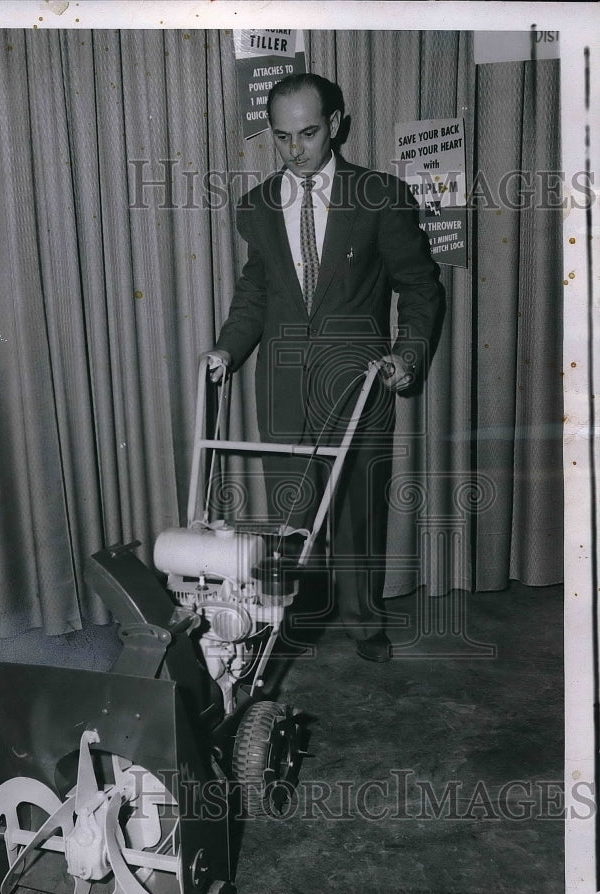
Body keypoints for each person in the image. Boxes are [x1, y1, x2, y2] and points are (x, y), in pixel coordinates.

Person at [207, 73, 445, 663]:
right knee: (291, 511)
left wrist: (407, 355)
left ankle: (366, 622)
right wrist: (227, 349)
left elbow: (419, 288)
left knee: (360, 508)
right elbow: (255, 291)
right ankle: (288, 621)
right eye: (283, 138)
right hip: (284, 381)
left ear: (334, 126)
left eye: (308, 134)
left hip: (360, 381)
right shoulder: (258, 206)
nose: (295, 150)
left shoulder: (381, 196)